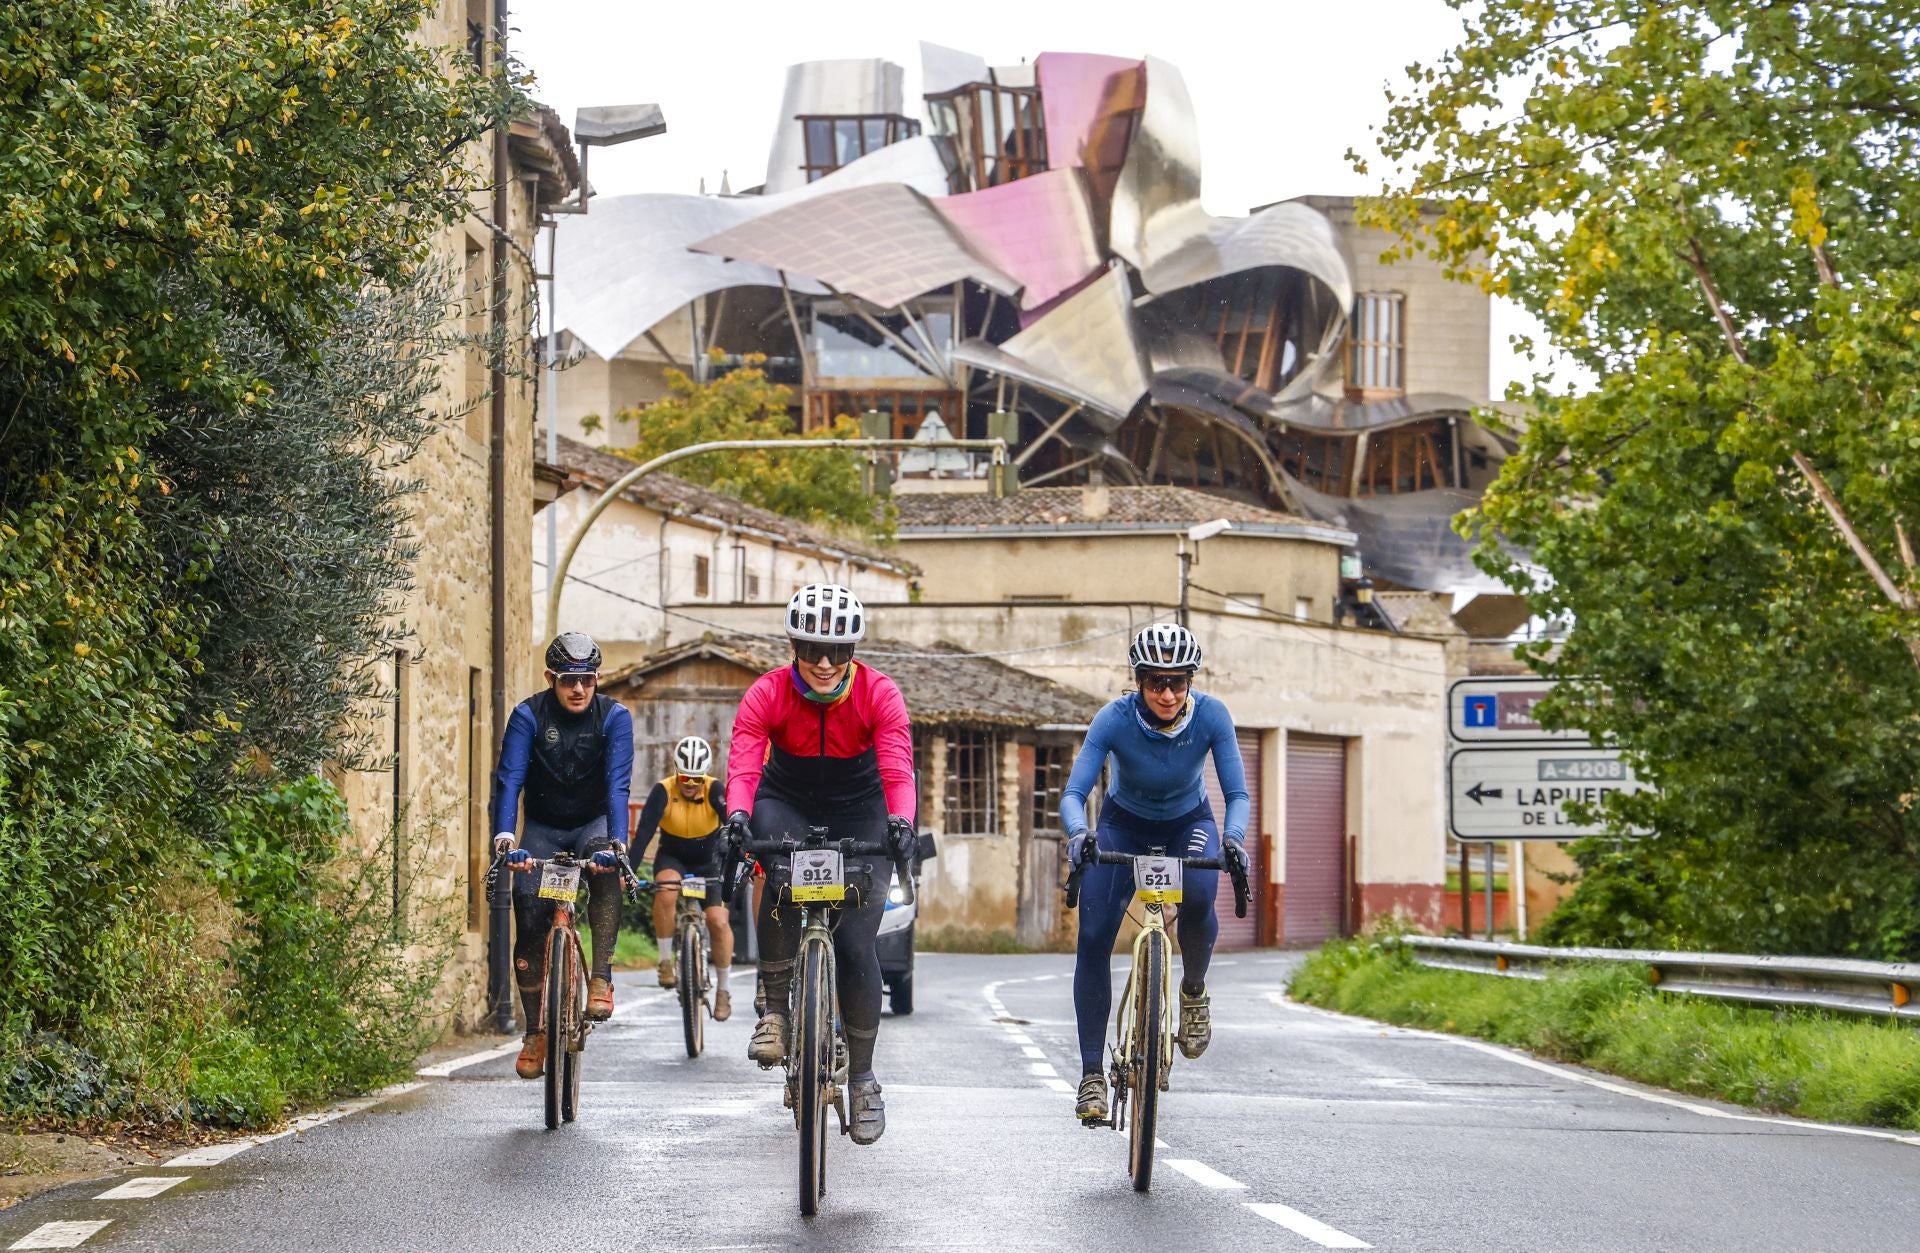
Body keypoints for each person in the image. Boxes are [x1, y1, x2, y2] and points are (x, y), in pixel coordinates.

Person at [720, 584, 918, 1145]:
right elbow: (743, 763)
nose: (825, 663)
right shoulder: (768, 693)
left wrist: (901, 821)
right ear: (793, 647)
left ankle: (862, 1078)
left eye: (838, 651)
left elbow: (899, 771)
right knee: (779, 879)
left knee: (857, 943)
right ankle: (776, 1013)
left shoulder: (880, 694)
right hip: (788, 799)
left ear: (854, 651)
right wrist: (738, 814)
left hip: (864, 807)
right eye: (811, 649)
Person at [1059, 623, 1250, 1123]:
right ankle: (1091, 1075)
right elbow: (1074, 794)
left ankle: (1192, 992)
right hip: (1124, 825)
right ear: (1138, 681)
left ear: (1190, 681)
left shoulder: (1212, 715)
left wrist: (1233, 839)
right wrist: (1079, 833)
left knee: (1203, 894)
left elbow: (1237, 795)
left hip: (1190, 823)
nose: (1167, 693)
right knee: (1095, 934)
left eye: (1177, 682)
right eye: (1155, 682)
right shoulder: (1113, 719)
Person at [491, 631, 635, 1080]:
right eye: (569, 680)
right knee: (529, 918)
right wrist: (504, 839)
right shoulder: (527, 715)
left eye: (588, 680)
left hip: (592, 822)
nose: (578, 689)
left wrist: (618, 842)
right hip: (544, 826)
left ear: (597, 680)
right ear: (552, 678)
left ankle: (602, 977)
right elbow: (510, 779)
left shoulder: (614, 717)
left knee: (606, 868)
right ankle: (536, 1030)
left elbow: (617, 785)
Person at [631, 735, 735, 1020]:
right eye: (685, 778)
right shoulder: (663, 791)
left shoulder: (715, 790)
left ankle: (723, 991)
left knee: (717, 920)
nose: (690, 785)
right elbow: (642, 836)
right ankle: (666, 960)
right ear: (676, 771)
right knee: (666, 893)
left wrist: (740, 862)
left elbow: (732, 830)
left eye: (696, 779)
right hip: (673, 855)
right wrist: (628, 871)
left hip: (708, 861)